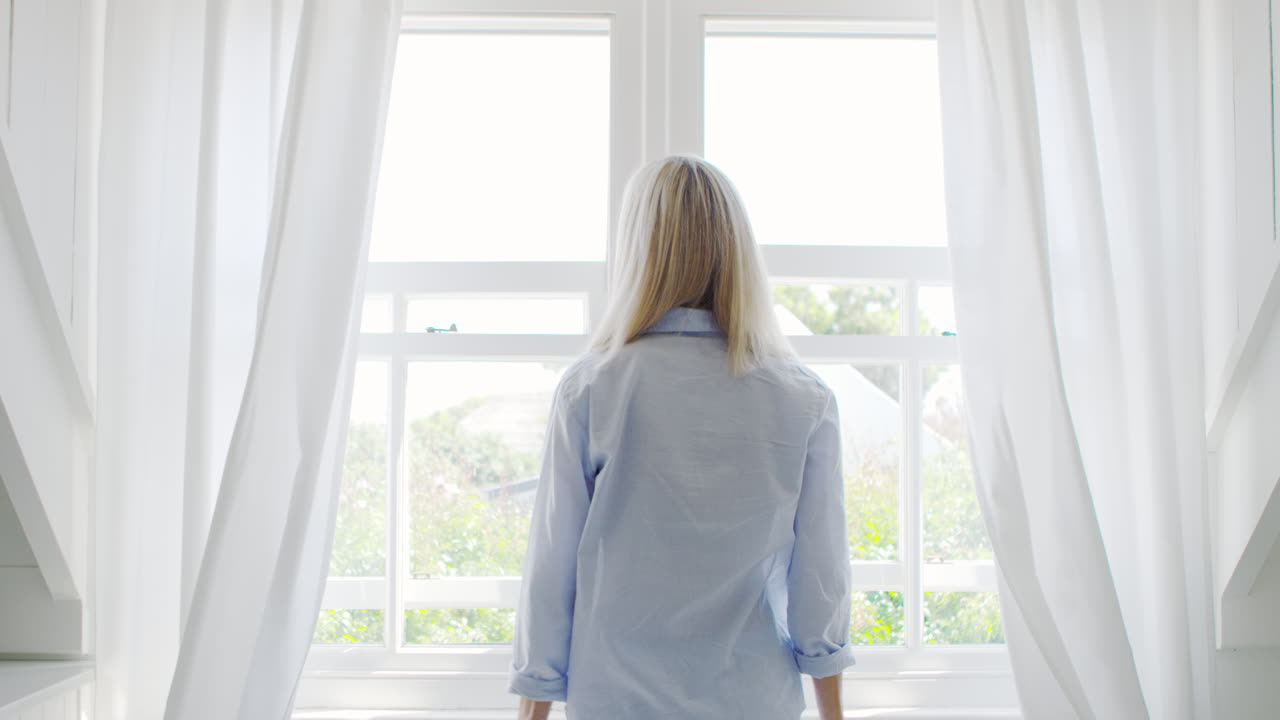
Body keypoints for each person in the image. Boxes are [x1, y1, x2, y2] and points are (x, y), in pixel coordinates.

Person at [508, 155, 853, 719]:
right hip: (753, 701)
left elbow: (552, 574)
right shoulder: (802, 397)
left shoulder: (593, 387)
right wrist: (833, 714)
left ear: (639, 252)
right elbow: (821, 579)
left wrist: (532, 712)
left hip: (616, 702)